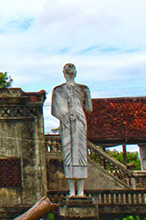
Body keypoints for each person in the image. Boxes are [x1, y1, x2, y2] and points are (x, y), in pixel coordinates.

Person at [51, 63, 93, 197]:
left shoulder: (79, 89)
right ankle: (76, 191)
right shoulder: (60, 90)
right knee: (70, 153)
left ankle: (76, 191)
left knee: (77, 154)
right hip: (69, 122)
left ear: (63, 73)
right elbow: (89, 108)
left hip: (77, 121)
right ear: (75, 72)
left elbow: (88, 109)